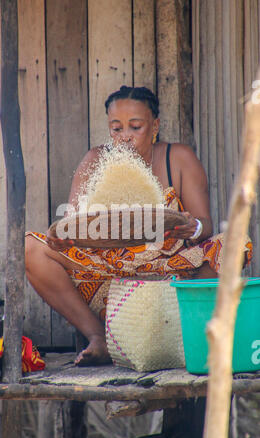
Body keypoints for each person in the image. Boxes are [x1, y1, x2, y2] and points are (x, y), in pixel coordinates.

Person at [25, 86, 252, 367]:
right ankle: (99, 338)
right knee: (31, 247)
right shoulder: (95, 160)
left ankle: (191, 331)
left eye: (135, 127)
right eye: (116, 128)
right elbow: (73, 223)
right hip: (108, 276)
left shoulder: (177, 158)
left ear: (154, 126)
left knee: (233, 244)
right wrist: (63, 237)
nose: (125, 137)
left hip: (170, 275)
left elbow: (204, 224)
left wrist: (191, 227)